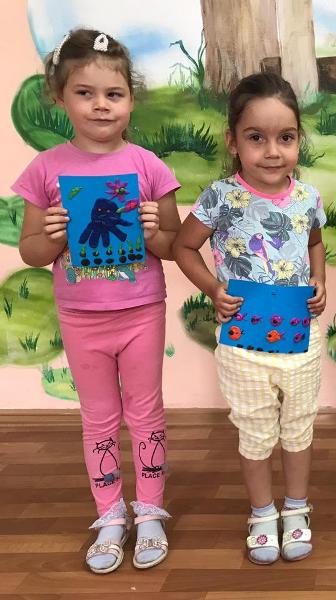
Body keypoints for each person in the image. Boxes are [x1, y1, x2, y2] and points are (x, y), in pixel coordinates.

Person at [12, 28, 181, 573]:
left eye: (114, 94)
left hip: (142, 311)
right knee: (99, 418)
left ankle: (150, 511)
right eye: (85, 93)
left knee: (146, 412)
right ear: (59, 98)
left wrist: (155, 229)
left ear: (131, 98)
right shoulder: (45, 169)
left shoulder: (149, 167)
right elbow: (32, 252)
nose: (101, 105)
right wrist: (53, 235)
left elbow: (172, 246)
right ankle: (109, 515)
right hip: (81, 317)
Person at [173, 72, 326, 564]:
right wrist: (213, 289)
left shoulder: (307, 197)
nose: (273, 151)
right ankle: (262, 512)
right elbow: (183, 247)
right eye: (256, 138)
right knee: (256, 430)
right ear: (233, 141)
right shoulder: (219, 197)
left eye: (286, 137)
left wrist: (320, 281)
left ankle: (297, 508)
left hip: (301, 339)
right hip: (242, 344)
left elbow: (315, 242)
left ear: (298, 139)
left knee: (298, 426)